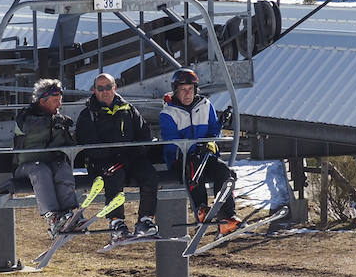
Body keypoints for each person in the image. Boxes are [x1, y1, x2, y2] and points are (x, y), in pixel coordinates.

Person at [74, 72, 160, 242]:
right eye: (100, 88)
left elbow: (143, 134)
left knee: (149, 175)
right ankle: (116, 222)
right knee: (115, 174)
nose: (105, 91)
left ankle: (145, 220)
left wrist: (134, 153)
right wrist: (113, 157)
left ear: (115, 88)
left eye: (108, 87)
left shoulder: (127, 109)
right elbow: (89, 144)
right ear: (94, 90)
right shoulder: (88, 114)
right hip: (101, 162)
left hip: (130, 158)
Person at [159, 67, 241, 235]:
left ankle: (228, 215)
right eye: (183, 90)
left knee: (225, 172)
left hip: (205, 157)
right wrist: (196, 147)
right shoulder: (168, 113)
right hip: (180, 159)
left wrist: (219, 125)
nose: (187, 94)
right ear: (176, 91)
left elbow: (212, 131)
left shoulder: (204, 106)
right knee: (193, 167)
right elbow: (172, 142)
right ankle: (201, 208)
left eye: (190, 89)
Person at [13, 78, 80, 237]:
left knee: (62, 167)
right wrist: (53, 122)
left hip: (50, 164)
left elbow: (67, 144)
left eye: (60, 100)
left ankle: (69, 213)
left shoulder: (57, 119)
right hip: (26, 167)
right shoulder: (25, 116)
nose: (59, 105)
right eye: (55, 101)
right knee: (40, 170)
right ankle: (53, 217)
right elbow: (29, 126)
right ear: (43, 100)